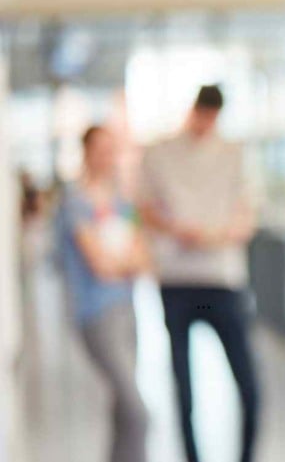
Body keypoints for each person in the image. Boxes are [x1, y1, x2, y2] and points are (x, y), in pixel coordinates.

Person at [138, 85, 259, 462]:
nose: (206, 124)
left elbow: (247, 216)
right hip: (176, 281)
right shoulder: (159, 152)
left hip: (223, 280)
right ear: (194, 110)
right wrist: (177, 231)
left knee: (249, 385)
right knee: (183, 386)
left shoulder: (235, 154)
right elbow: (143, 208)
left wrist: (214, 235)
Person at [58, 125, 150, 462]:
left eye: (112, 149)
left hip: (127, 310)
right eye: (100, 149)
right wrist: (121, 261)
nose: (107, 157)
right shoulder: (74, 202)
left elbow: (142, 259)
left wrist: (120, 261)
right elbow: (100, 266)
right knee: (138, 411)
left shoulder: (123, 202)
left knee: (123, 411)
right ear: (86, 152)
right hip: (96, 315)